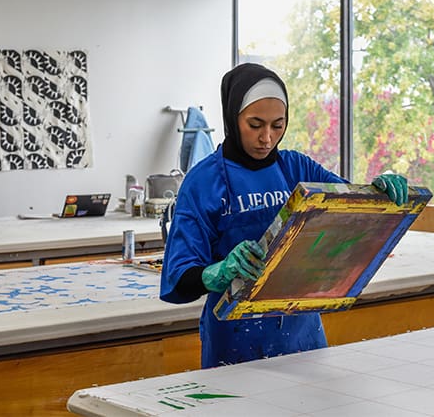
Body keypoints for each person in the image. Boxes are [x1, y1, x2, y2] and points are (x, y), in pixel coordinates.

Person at [160, 63, 408, 369]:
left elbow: (354, 213)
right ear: (231, 118)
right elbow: (180, 276)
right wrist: (220, 271)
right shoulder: (203, 183)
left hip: (303, 337)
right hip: (235, 342)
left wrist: (379, 192)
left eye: (278, 125)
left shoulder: (297, 170)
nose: (267, 137)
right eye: (255, 124)